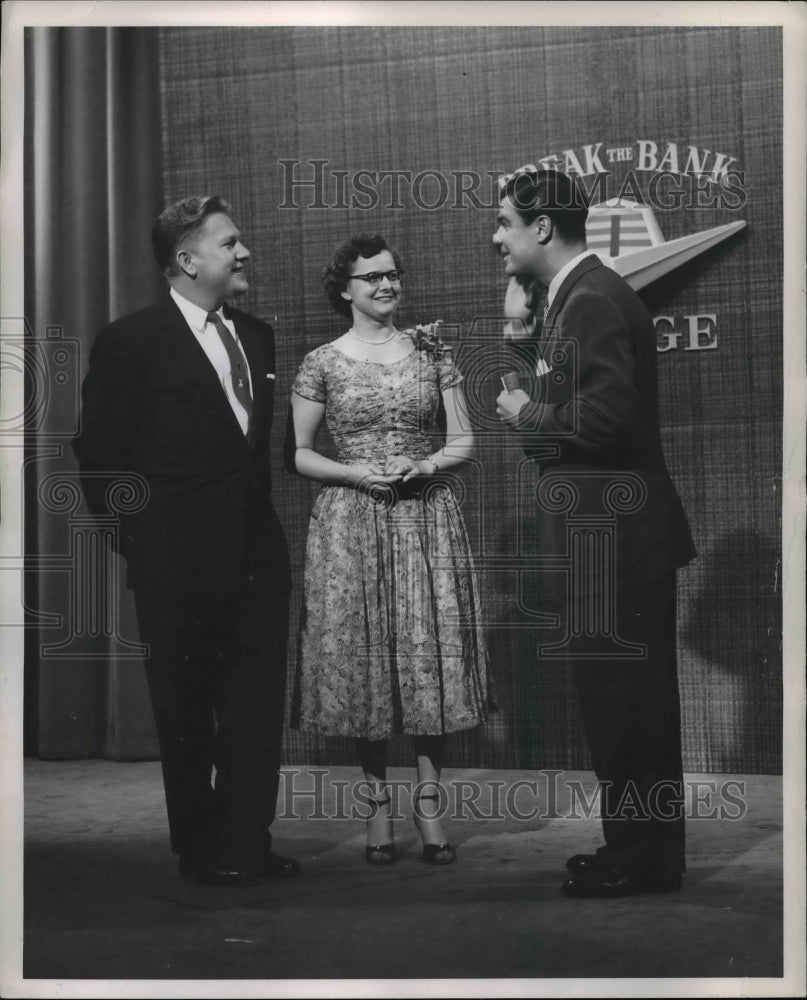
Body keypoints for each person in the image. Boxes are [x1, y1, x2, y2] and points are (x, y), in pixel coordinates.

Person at [72, 195, 299, 887]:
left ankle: (247, 845)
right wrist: (144, 547)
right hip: (176, 567)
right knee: (186, 713)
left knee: (254, 712)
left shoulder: (256, 336)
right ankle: (201, 852)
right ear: (186, 259)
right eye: (229, 242)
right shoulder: (130, 340)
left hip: (256, 562)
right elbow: (100, 458)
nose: (244, 252)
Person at [493, 167, 696, 898]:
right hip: (604, 543)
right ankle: (635, 852)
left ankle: (643, 861)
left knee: (629, 710)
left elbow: (605, 420)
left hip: (614, 544)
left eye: (505, 223)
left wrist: (524, 412)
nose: (497, 238)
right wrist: (523, 343)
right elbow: (574, 407)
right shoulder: (575, 298)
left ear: (542, 226)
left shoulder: (591, 301)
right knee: (620, 708)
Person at [289, 233, 489, 865]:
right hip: (351, 522)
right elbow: (300, 454)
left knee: (426, 656)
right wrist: (355, 474)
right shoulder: (320, 362)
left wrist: (424, 465)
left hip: (424, 518)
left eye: (392, 274)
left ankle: (429, 809)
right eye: (371, 276)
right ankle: (377, 810)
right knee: (365, 662)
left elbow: (464, 442)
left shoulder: (433, 354)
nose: (386, 285)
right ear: (344, 290)